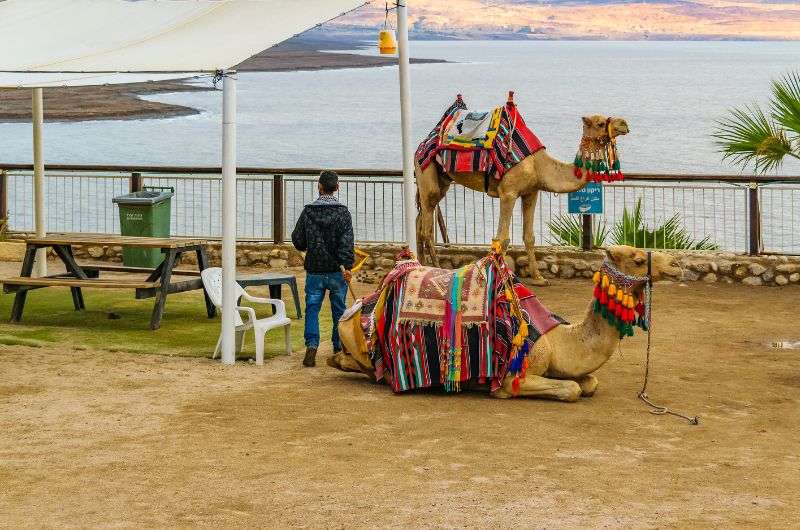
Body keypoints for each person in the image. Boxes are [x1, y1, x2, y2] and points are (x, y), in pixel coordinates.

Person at [291, 170, 354, 367]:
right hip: (337, 269)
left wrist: (309, 246)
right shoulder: (343, 213)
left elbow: (298, 240)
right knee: (339, 310)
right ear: (337, 187)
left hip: (315, 269)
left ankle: (311, 346)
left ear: (319, 187)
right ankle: (338, 346)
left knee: (312, 309)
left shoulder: (308, 211)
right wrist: (348, 266)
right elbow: (347, 243)